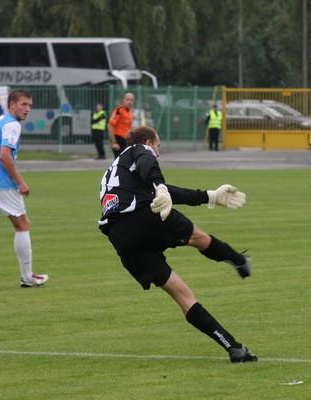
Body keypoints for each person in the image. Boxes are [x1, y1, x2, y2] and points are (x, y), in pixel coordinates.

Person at [98, 125, 257, 363]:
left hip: (121, 238)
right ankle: (239, 260)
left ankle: (233, 348)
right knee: (199, 238)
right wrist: (160, 184)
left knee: (182, 295)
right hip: (143, 216)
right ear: (149, 142)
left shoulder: (117, 171)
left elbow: (166, 191)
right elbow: (149, 165)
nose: (158, 152)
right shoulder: (139, 150)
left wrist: (210, 196)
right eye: (158, 146)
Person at [0, 89, 49, 291]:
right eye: (23, 104)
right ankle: (27, 277)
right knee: (22, 224)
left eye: (30, 105)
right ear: (12, 104)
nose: (27, 109)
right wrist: (21, 182)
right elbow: (4, 155)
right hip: (0, 181)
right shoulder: (12, 124)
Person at [108, 92, 134, 158]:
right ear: (123, 100)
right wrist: (114, 142)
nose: (129, 102)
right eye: (127, 99)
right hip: (118, 140)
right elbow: (110, 125)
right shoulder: (119, 110)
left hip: (126, 140)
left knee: (125, 161)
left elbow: (129, 128)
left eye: (131, 100)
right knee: (121, 161)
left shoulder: (130, 113)